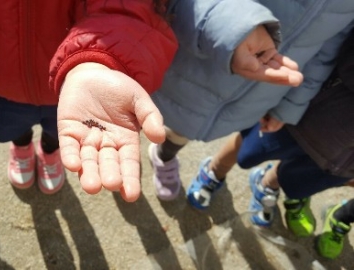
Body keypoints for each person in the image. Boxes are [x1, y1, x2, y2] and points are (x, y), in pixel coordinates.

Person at [0, 0, 178, 202]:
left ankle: (50, 151)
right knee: (9, 127)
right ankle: (22, 146)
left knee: (60, 132)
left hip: (69, 85)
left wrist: (101, 58)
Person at [147, 0, 354, 202]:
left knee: (187, 127)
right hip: (195, 57)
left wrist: (289, 106)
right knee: (148, 110)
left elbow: (326, 52)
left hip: (257, 91)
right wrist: (229, 28)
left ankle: (164, 154)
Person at [232, 30, 354, 259]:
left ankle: (283, 188)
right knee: (250, 151)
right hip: (315, 118)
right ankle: (235, 175)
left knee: (306, 178)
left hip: (343, 159)